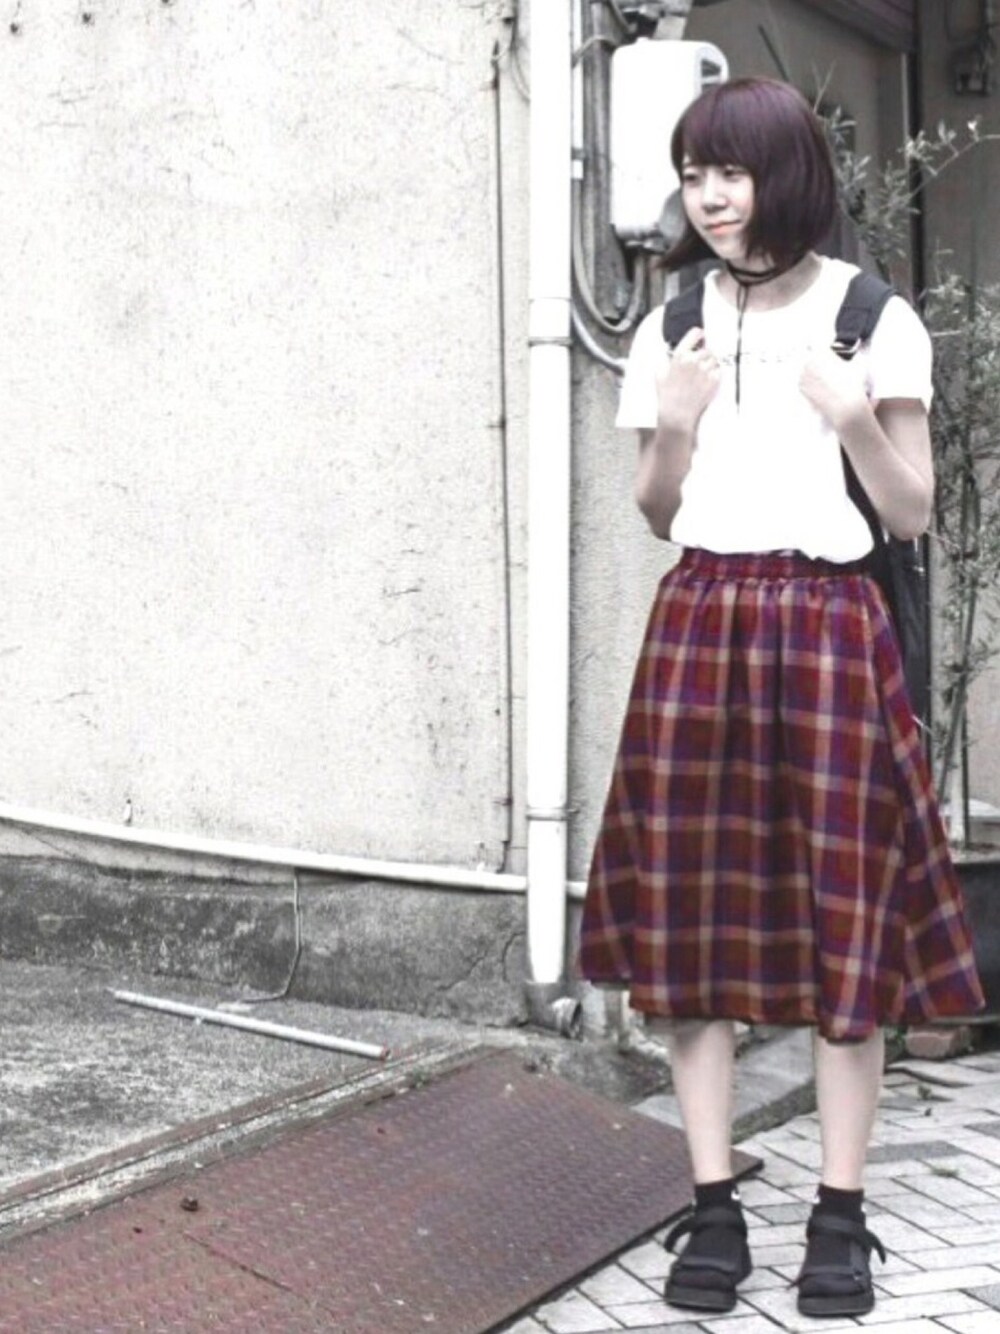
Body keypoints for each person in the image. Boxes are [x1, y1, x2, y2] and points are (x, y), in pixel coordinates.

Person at [577, 77, 984, 1320]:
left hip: (828, 625)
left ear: (786, 175)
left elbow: (909, 511)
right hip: (700, 621)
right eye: (693, 171)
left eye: (731, 170)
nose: (708, 195)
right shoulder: (671, 324)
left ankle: (839, 1217)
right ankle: (713, 1205)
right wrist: (673, 427)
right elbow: (658, 511)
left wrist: (852, 416)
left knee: (841, 924)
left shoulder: (870, 316)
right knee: (689, 930)